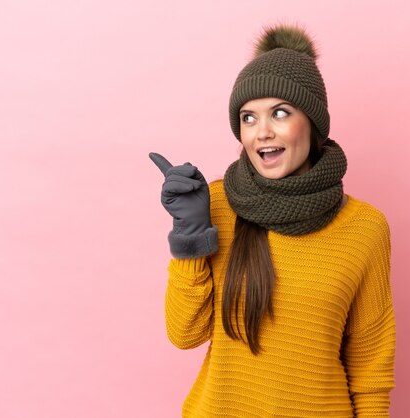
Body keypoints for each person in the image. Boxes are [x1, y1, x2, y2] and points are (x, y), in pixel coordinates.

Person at [149, 25, 396, 417]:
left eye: (280, 113)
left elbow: (371, 366)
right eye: (249, 118)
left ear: (312, 122)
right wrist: (190, 236)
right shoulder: (216, 205)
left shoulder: (365, 227)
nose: (262, 132)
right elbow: (184, 334)